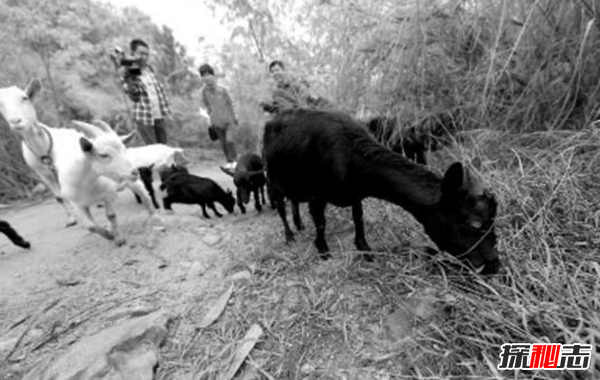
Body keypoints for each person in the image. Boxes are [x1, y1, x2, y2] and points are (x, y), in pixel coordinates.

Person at [122, 38, 172, 145]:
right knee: (153, 151)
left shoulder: (150, 69)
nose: (144, 57)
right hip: (145, 118)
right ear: (133, 53)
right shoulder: (131, 72)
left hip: (158, 116)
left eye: (146, 54)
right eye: (141, 53)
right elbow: (134, 96)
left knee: (163, 149)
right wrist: (129, 82)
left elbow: (159, 92)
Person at [199, 63, 238, 169]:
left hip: (228, 121)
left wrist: (235, 117)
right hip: (216, 123)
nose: (206, 78)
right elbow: (206, 106)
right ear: (202, 78)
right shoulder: (204, 92)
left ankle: (235, 160)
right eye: (203, 75)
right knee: (224, 143)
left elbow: (231, 103)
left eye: (208, 75)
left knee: (230, 140)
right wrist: (208, 115)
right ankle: (229, 161)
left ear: (213, 75)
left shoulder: (223, 89)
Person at [260, 60, 333, 114]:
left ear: (284, 71)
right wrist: (268, 108)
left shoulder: (296, 84)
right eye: (272, 72)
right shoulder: (276, 94)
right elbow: (280, 109)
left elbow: (308, 97)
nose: (275, 73)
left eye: (277, 70)